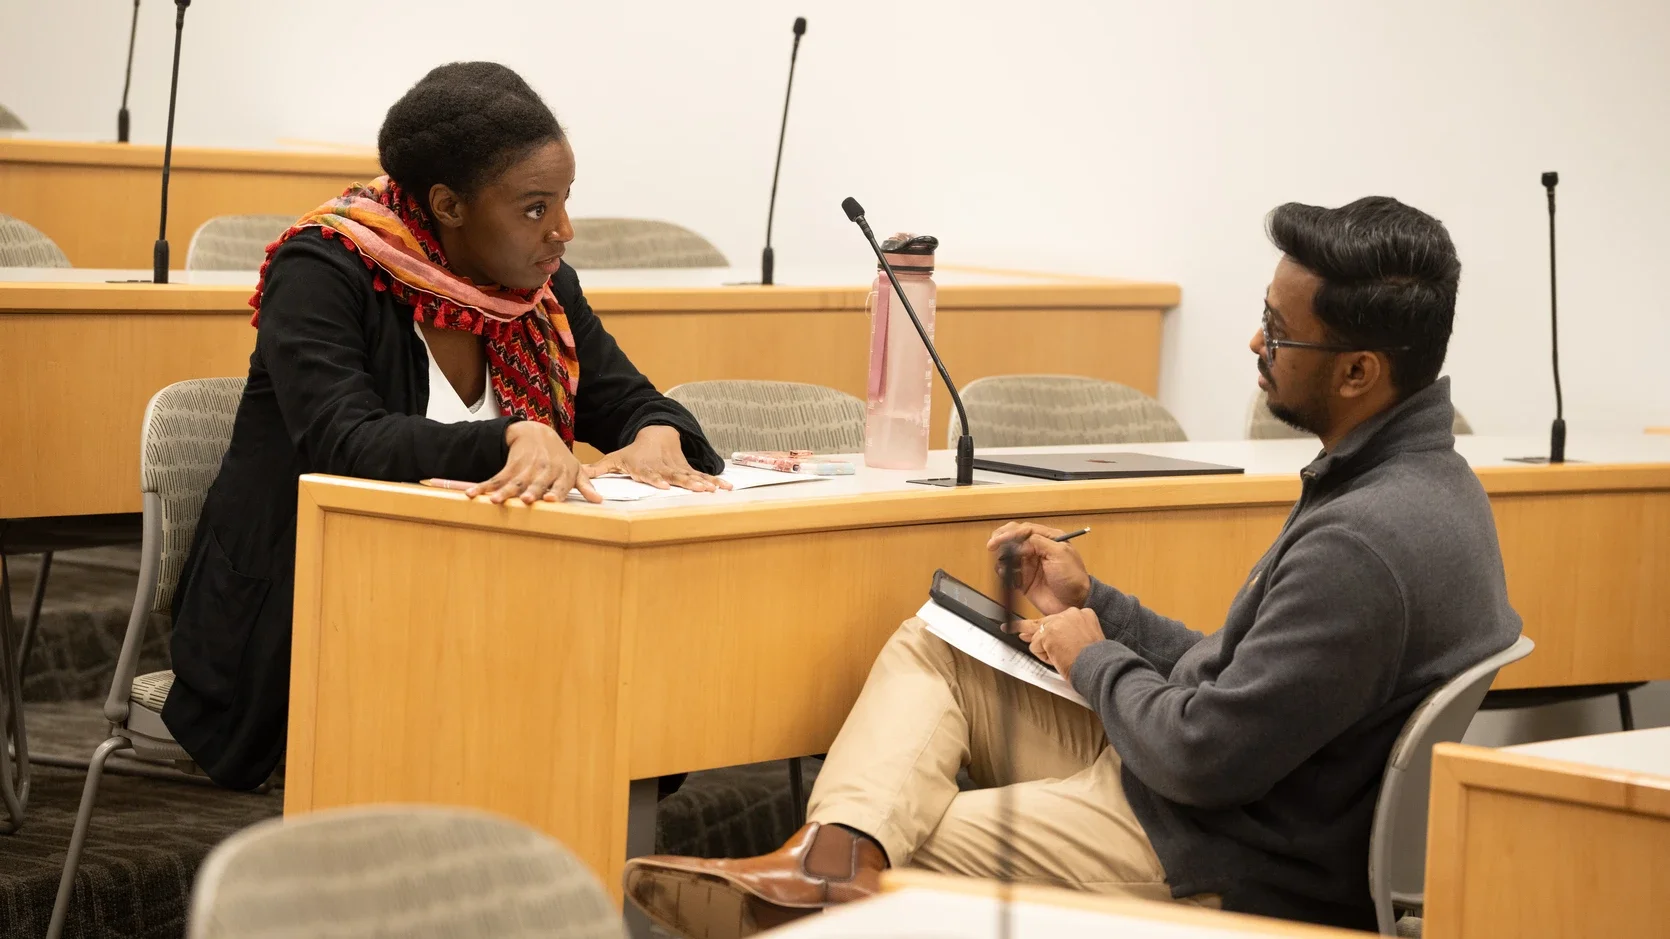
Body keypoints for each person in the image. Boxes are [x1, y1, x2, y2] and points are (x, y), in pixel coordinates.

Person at [623, 196, 1522, 935]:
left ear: (1360, 371)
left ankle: (836, 875)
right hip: (1209, 790)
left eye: (1278, 333)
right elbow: (1250, 681)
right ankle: (831, 859)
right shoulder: (1426, 482)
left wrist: (1092, 654)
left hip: (1216, 850)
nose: (1256, 345)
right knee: (935, 646)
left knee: (917, 851)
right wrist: (1103, 609)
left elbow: (1202, 754)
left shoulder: (1364, 544)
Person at [163, 62, 727, 790]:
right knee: (577, 706)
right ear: (448, 206)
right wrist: (508, 436)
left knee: (623, 685)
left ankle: (576, 874)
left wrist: (658, 434)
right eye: (534, 208)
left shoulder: (539, 284)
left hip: (484, 609)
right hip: (312, 616)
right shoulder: (325, 268)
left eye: (564, 200)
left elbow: (630, 398)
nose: (563, 230)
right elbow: (346, 444)